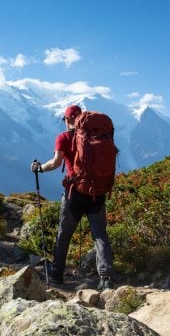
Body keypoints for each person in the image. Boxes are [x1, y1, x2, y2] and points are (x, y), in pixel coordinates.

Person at [30, 104, 114, 290]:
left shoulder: (64, 137)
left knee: (64, 234)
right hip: (97, 192)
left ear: (67, 120)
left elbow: (55, 163)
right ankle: (106, 278)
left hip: (74, 194)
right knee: (100, 235)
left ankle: (57, 276)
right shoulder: (98, 135)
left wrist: (39, 168)